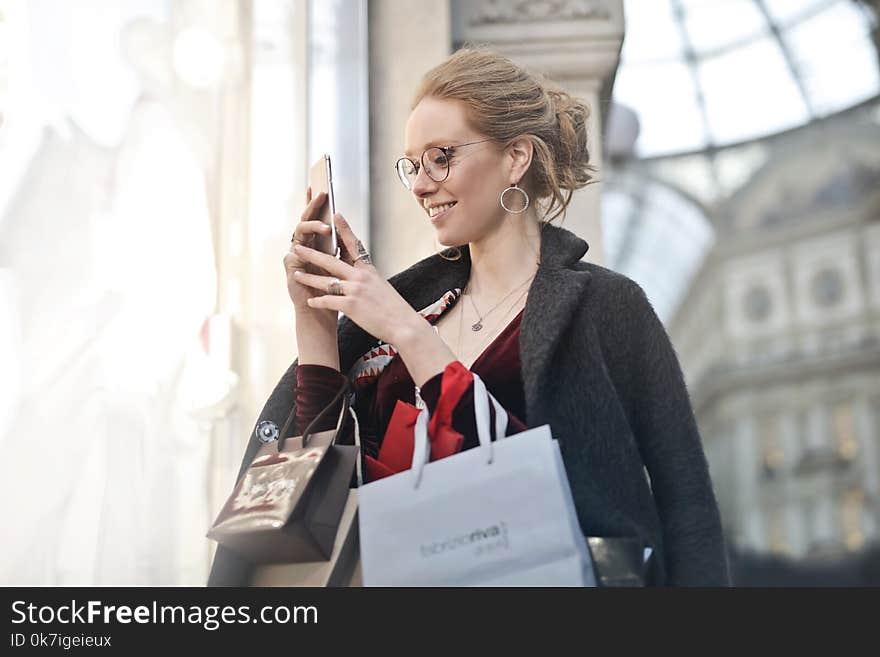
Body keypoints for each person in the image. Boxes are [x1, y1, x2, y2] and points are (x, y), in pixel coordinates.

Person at [209, 48, 730, 587]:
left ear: (516, 157)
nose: (419, 184)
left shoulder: (608, 307)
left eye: (441, 157)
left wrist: (407, 331)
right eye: (413, 164)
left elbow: (686, 502)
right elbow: (325, 487)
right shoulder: (409, 309)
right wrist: (315, 325)